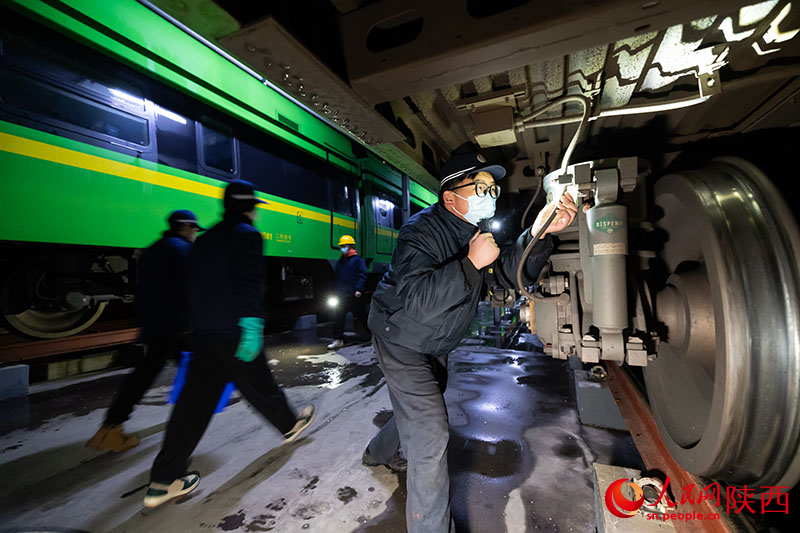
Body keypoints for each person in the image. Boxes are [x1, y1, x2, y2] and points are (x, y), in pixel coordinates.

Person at [362, 151, 577, 532]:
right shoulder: (421, 231)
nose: (490, 194)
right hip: (401, 337)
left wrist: (538, 234)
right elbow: (418, 299)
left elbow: (508, 273)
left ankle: (376, 452)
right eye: (480, 187)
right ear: (450, 197)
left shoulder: (476, 232)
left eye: (492, 187)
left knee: (417, 403)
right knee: (429, 432)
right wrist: (469, 264)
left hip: (435, 343)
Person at [143, 181, 316, 509]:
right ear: (250, 208)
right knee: (260, 385)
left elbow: (191, 286)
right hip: (235, 330)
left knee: (192, 408)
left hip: (205, 334)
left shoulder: (204, 240)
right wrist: (252, 325)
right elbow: (250, 283)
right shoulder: (248, 235)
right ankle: (290, 425)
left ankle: (163, 481)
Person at [86, 210, 204, 453]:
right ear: (184, 227)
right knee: (204, 369)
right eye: (193, 229)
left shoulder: (154, 249)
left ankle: (110, 427)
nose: (194, 234)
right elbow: (190, 288)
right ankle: (185, 424)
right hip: (177, 327)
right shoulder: (181, 249)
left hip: (156, 325)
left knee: (145, 374)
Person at [327, 235, 369, 350]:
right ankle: (338, 339)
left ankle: (375, 335)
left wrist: (359, 289)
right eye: (342, 246)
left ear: (351, 247)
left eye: (345, 246)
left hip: (355, 296)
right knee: (338, 318)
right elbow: (337, 278)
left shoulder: (357, 260)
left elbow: (362, 275)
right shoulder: (341, 262)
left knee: (363, 317)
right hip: (342, 296)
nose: (343, 248)